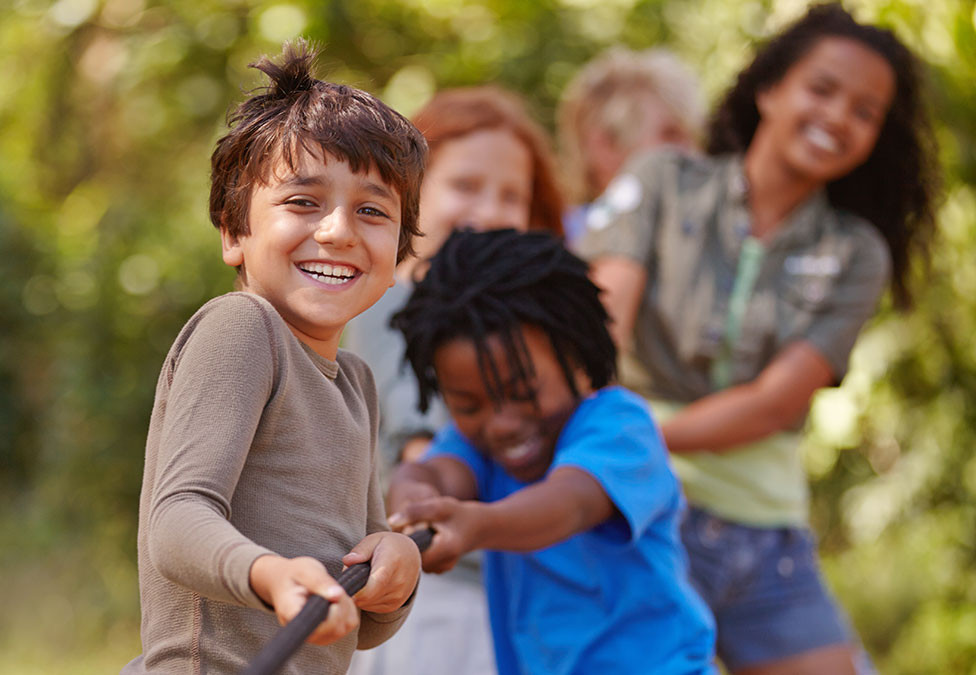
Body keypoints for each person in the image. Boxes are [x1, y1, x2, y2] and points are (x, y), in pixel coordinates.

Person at [579, 5, 939, 674]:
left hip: (763, 534)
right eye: (822, 89)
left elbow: (776, 403)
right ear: (770, 88)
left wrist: (645, 434)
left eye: (865, 111)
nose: (837, 117)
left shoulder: (856, 251)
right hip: (641, 512)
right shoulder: (663, 179)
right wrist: (605, 453)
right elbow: (600, 323)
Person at [123, 41, 428, 675]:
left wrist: (393, 572)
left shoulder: (357, 385)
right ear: (235, 233)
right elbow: (175, 523)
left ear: (399, 257)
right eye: (302, 202)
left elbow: (351, 622)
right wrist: (270, 575)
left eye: (372, 211)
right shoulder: (243, 328)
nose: (338, 230)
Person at [384, 228, 717, 674]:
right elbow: (436, 475)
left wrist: (476, 525)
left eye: (523, 392)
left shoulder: (619, 427)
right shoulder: (475, 447)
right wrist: (411, 501)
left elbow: (569, 504)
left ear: (578, 360)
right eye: (468, 405)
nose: (501, 424)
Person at [344, 86, 565, 675]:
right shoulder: (394, 301)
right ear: (412, 193)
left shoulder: (517, 324)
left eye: (511, 196)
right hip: (438, 598)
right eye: (465, 186)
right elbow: (416, 441)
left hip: (517, 588)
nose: (489, 212)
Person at [556, 47, 704, 246]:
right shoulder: (561, 245)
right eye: (670, 135)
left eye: (692, 137)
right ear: (605, 145)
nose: (693, 153)